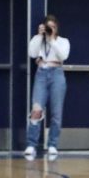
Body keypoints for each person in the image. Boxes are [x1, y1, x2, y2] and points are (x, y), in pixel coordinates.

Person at [24, 15, 70, 159]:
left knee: (56, 112)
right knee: (36, 109)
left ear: (57, 28)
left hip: (57, 74)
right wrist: (39, 36)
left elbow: (63, 56)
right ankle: (31, 143)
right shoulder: (39, 40)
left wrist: (52, 40)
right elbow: (32, 53)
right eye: (48, 27)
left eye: (53, 27)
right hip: (41, 74)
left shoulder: (63, 41)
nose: (51, 29)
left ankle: (52, 144)